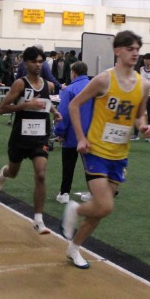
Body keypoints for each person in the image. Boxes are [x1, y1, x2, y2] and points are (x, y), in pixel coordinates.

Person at [63, 30, 150, 269]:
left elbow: (139, 114)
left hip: (120, 154)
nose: (135, 53)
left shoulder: (144, 85)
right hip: (96, 150)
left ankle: (74, 247)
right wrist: (81, 138)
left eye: (137, 49)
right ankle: (75, 209)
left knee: (101, 210)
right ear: (117, 50)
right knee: (105, 205)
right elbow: (74, 105)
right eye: (130, 49)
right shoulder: (104, 80)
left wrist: (143, 126)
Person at [0, 46, 63, 234]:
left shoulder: (48, 85)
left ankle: (38, 220)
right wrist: (25, 105)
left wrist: (55, 112)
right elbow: (2, 108)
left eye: (40, 61)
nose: (38, 65)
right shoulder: (20, 84)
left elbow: (46, 102)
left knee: (40, 174)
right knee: (13, 172)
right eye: (34, 61)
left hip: (40, 137)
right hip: (20, 137)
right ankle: (5, 172)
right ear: (25, 63)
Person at [55, 61, 92, 204]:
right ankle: (93, 192)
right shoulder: (94, 87)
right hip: (90, 134)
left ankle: (64, 193)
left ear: (73, 73)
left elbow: (63, 113)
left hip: (71, 133)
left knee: (68, 165)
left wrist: (59, 132)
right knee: (90, 165)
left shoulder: (69, 89)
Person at [132, 53, 150, 142]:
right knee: (137, 114)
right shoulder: (141, 69)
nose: (145, 60)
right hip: (141, 94)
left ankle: (149, 136)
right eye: (144, 59)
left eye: (147, 59)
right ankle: (135, 135)